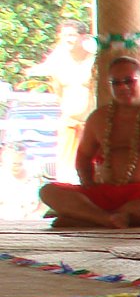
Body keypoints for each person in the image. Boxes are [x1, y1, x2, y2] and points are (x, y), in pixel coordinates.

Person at [38, 57, 140, 228]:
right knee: (48, 191)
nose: (123, 87)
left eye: (129, 81)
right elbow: (83, 155)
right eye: (116, 83)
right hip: (102, 193)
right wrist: (88, 185)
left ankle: (88, 219)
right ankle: (107, 219)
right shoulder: (99, 117)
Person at [32, 20, 95, 179]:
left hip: (91, 125)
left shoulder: (94, 62)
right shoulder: (57, 62)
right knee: (66, 175)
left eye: (72, 35)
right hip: (68, 125)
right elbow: (58, 91)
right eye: (64, 35)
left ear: (83, 37)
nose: (68, 39)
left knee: (92, 171)